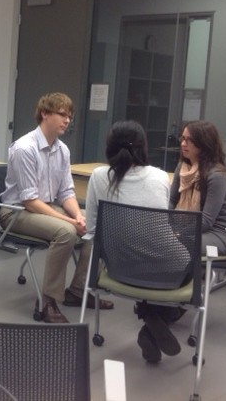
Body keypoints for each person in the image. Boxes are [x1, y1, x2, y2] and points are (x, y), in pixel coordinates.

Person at [66, 120, 174, 363]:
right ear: (143, 146)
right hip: (162, 268)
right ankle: (152, 322)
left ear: (109, 147)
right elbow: (160, 226)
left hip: (117, 266)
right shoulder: (160, 177)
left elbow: (92, 228)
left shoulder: (98, 176)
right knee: (185, 269)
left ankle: (149, 317)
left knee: (146, 267)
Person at [0, 92, 112, 324]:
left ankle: (78, 290)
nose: (67, 120)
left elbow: (66, 193)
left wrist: (78, 216)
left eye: (69, 116)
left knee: (97, 224)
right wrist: (70, 222)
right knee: (66, 232)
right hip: (16, 212)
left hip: (46, 207)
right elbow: (30, 201)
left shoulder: (62, 150)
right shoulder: (24, 148)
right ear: (44, 114)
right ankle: (48, 301)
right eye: (62, 114)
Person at [170, 120, 226, 255]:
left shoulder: (217, 175)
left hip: (221, 235)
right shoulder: (183, 168)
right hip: (191, 231)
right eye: (182, 138)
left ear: (204, 144)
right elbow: (171, 202)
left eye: (189, 140)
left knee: (174, 244)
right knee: (158, 239)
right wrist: (164, 226)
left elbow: (206, 221)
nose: (183, 144)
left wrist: (178, 233)